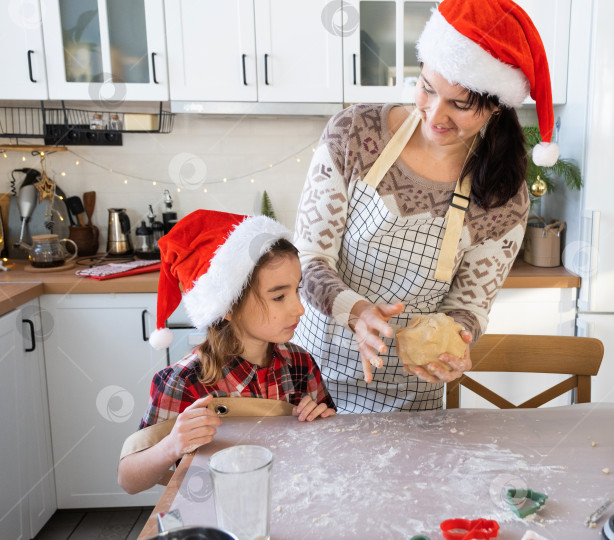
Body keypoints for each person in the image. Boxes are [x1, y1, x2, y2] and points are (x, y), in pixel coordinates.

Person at [293, 0, 558, 413]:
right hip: (310, 381)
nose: (435, 115)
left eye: (460, 104)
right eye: (427, 88)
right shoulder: (355, 133)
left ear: (495, 105)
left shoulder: (503, 195)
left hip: (411, 399)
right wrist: (357, 312)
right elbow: (309, 259)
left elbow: (468, 307)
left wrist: (458, 345)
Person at [118, 210, 335, 494]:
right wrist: (171, 446)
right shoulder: (184, 381)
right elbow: (129, 481)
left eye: (297, 290)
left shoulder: (300, 363)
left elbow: (328, 439)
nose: (299, 308)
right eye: (279, 296)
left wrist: (319, 420)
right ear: (229, 306)